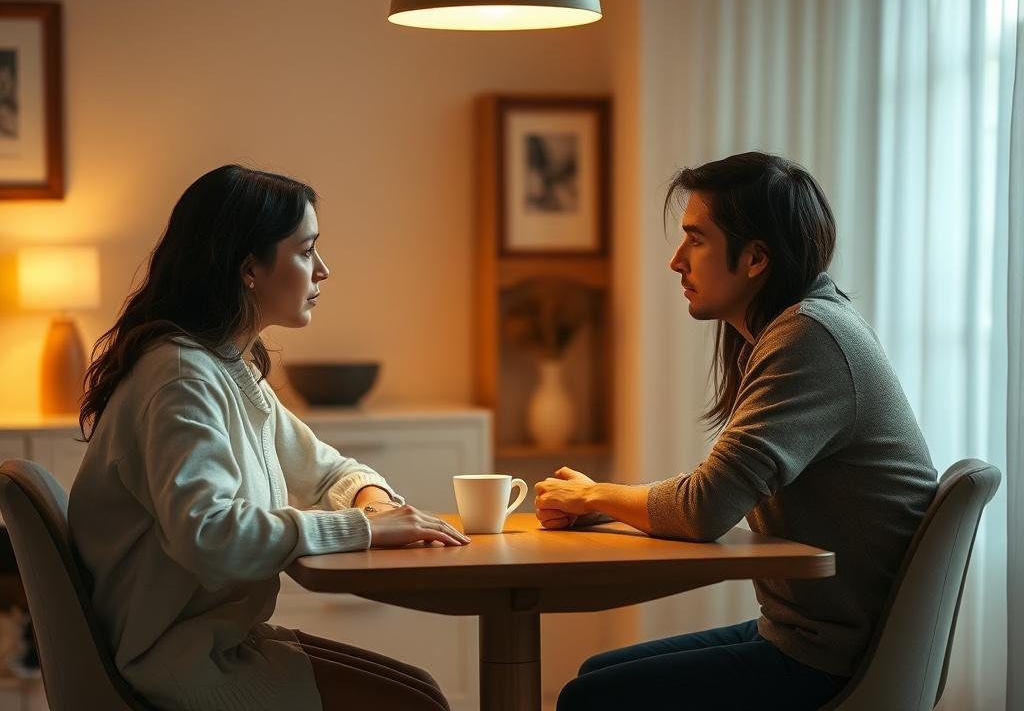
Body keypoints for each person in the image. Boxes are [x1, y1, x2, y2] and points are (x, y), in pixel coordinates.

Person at [534, 152, 938, 711]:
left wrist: (592, 494)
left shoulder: (809, 337)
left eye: (695, 240)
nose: (676, 261)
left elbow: (705, 508)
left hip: (828, 660)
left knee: (590, 698)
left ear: (755, 258)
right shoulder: (803, 323)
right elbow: (717, 490)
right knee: (597, 673)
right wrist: (601, 506)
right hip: (807, 637)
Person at [69, 165, 469, 711]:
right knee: (420, 705)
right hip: (178, 660)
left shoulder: (222, 368)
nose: (323, 271)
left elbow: (325, 469)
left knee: (422, 692)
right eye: (306, 252)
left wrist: (372, 506)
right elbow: (210, 537)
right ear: (250, 267)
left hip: (219, 641)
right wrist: (363, 530)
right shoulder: (182, 378)